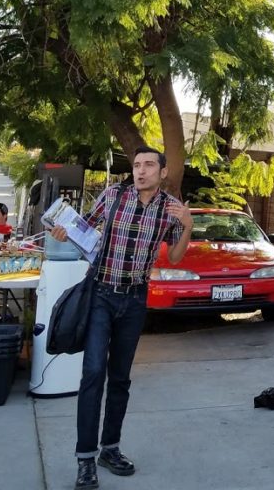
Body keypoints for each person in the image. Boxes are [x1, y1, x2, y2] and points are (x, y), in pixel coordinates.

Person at [49, 146, 192, 490]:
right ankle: (85, 459)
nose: (140, 171)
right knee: (93, 373)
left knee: (121, 378)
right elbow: (84, 227)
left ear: (162, 171)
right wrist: (64, 231)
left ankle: (109, 448)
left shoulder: (171, 209)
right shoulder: (114, 194)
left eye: (148, 165)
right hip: (100, 293)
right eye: (137, 165)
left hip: (135, 299)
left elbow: (174, 256)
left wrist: (187, 225)